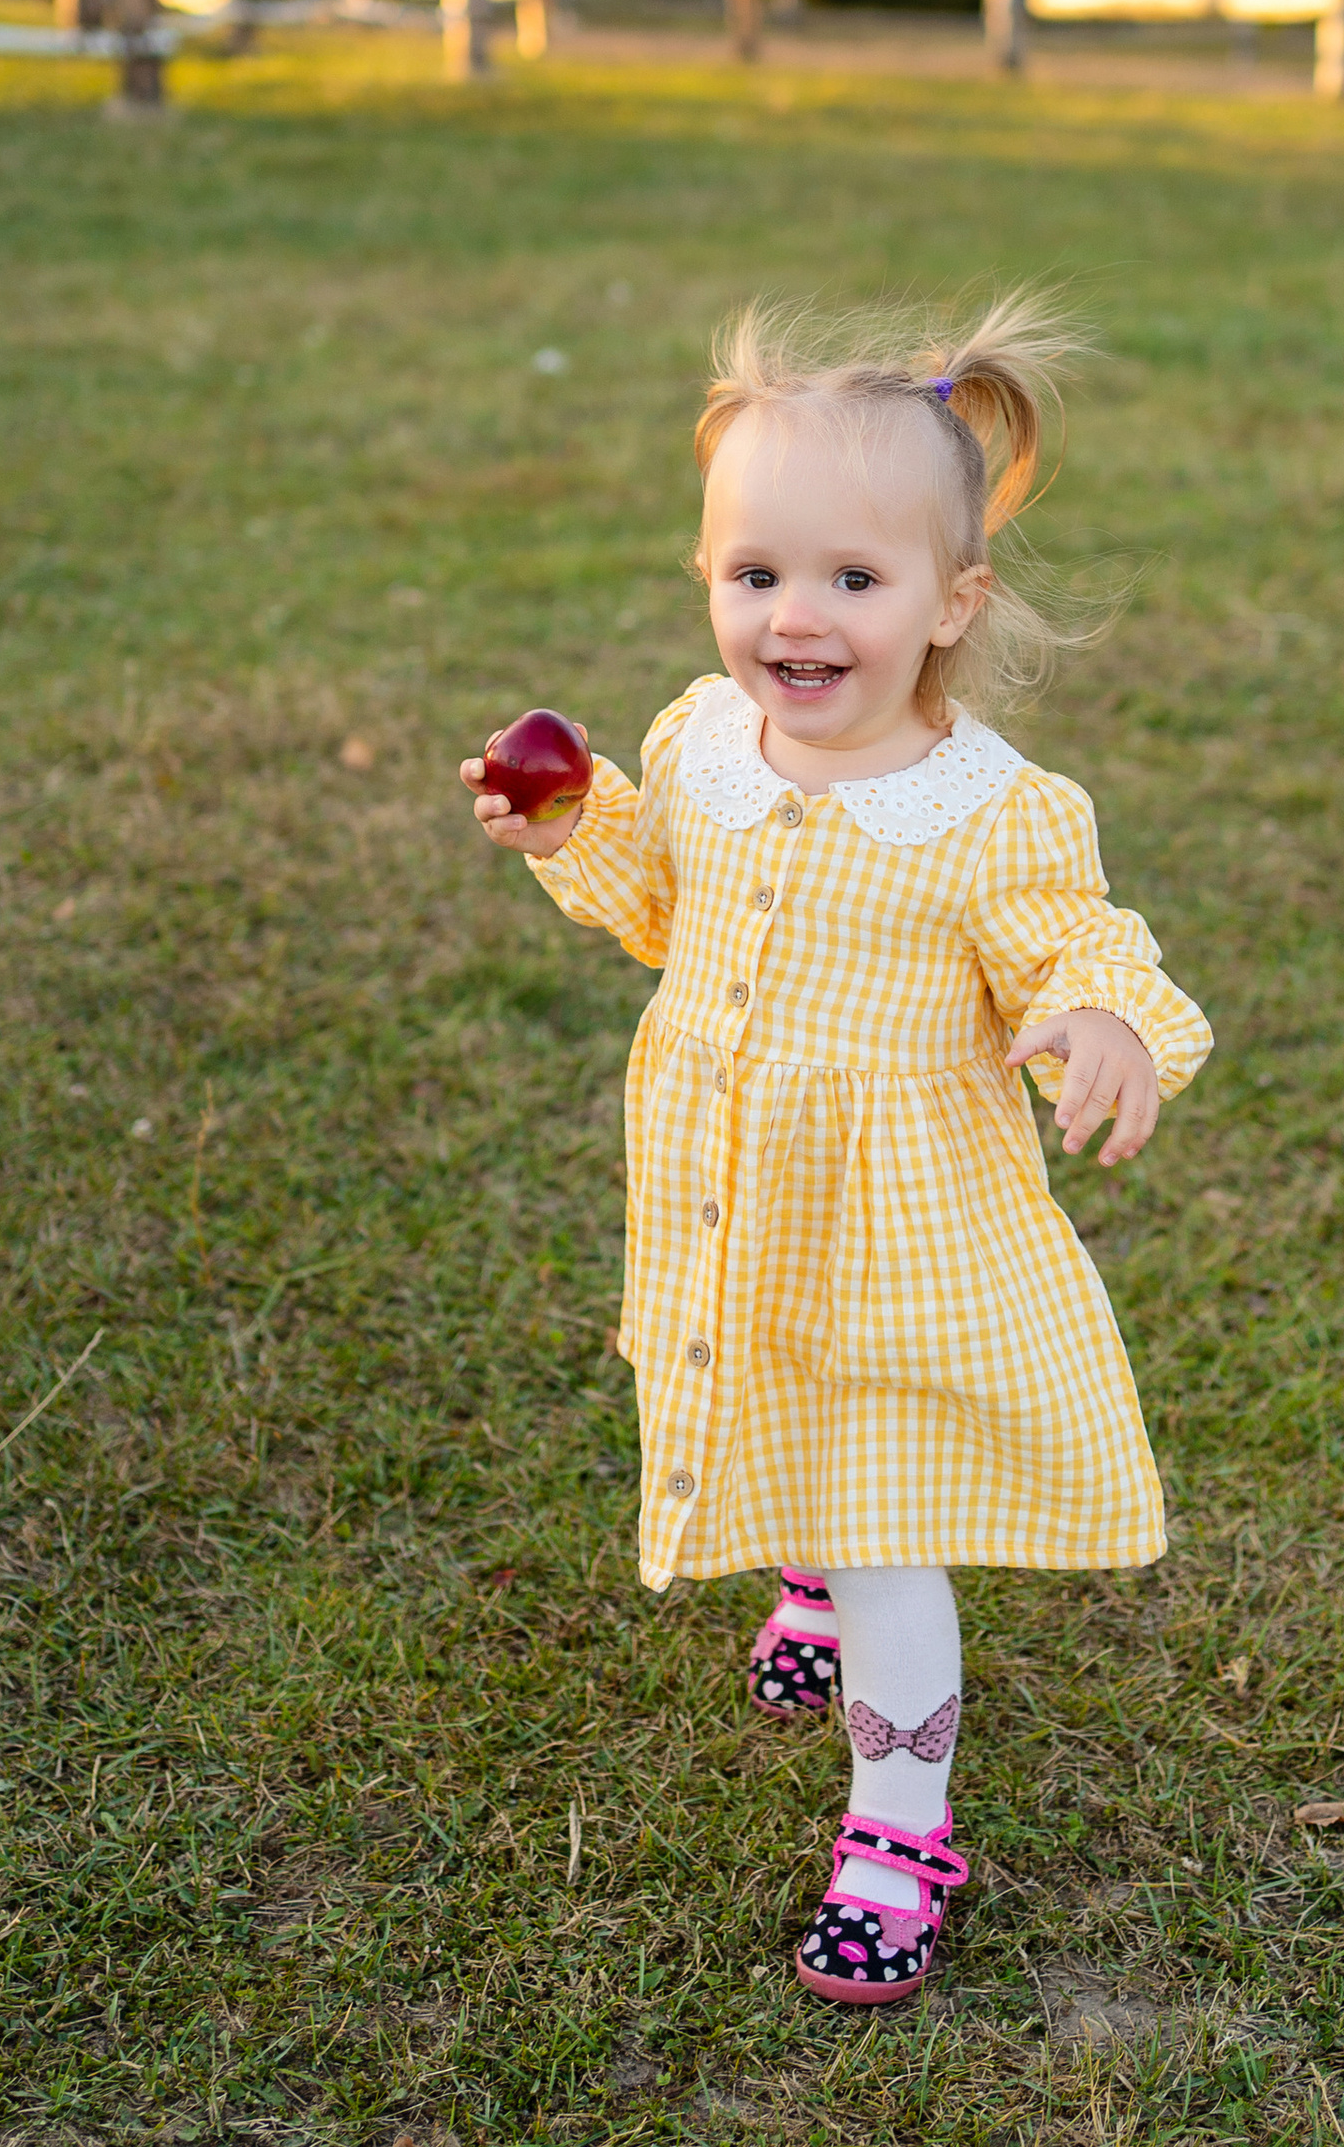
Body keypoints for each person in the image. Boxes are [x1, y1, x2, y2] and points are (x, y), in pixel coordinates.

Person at [461, 295, 1211, 2005]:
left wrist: (1100, 1024)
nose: (794, 619)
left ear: (952, 604)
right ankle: (802, 1556)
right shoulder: (697, 746)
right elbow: (665, 909)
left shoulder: (990, 813)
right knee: (768, 1389)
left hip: (898, 1234)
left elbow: (1080, 944)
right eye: (755, 576)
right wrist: (578, 824)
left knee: (889, 1529)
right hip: (733, 1193)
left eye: (853, 583)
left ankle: (899, 1819)